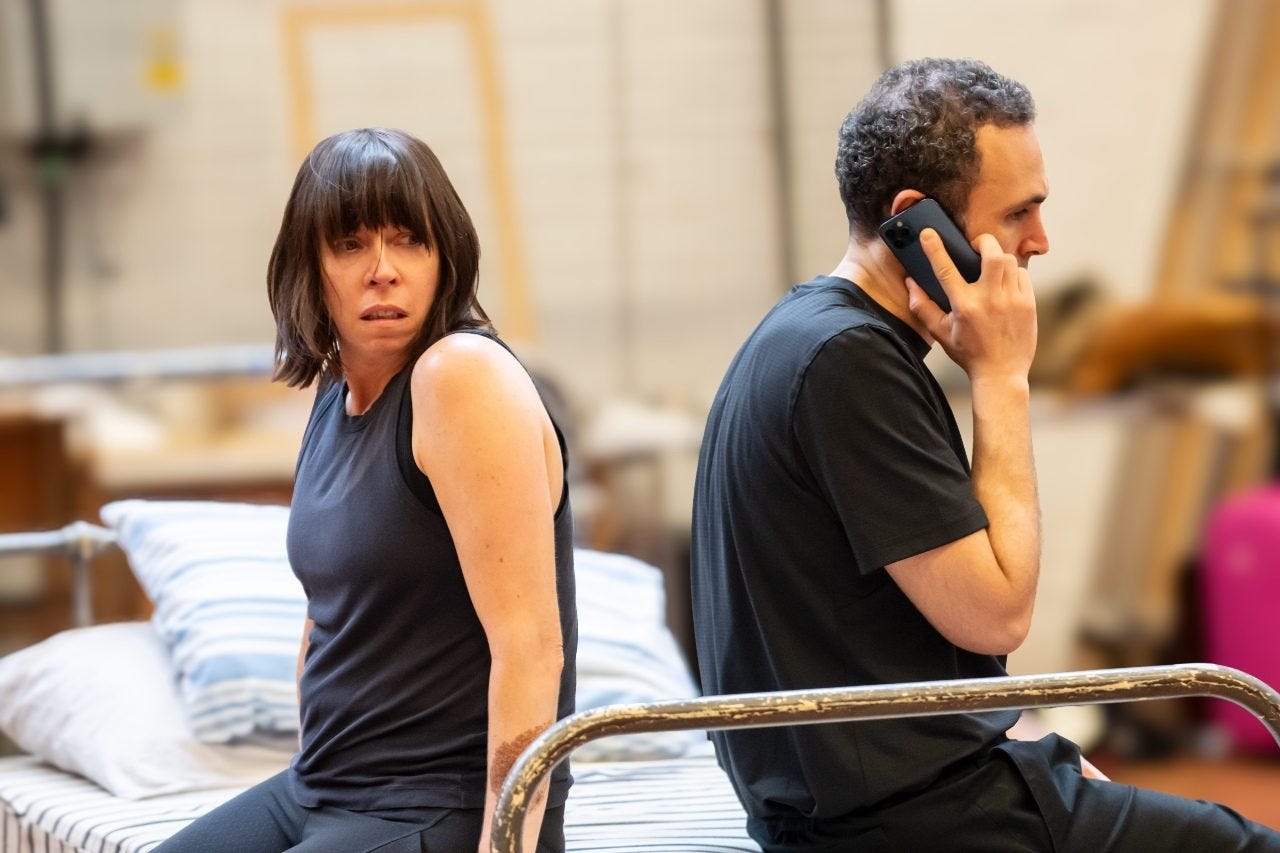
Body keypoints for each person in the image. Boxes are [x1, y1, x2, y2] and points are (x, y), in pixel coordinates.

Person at [689, 57, 1280, 852]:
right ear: (916, 220)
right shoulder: (847, 363)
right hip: (909, 819)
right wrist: (1002, 377)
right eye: (1018, 214)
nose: (1040, 240)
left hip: (905, 790)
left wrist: (1039, 755)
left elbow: (934, 643)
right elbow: (996, 610)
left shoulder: (814, 335)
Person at [156, 128, 575, 852]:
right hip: (320, 785)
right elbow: (325, 614)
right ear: (311, 268)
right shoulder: (332, 392)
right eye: (351, 245)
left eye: (408, 240)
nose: (383, 270)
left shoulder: (460, 376)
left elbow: (532, 647)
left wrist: (506, 843)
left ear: (445, 257)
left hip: (439, 804)